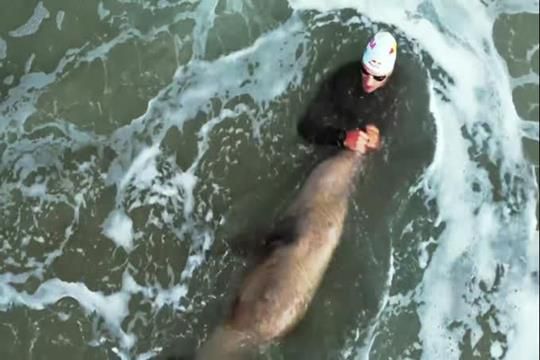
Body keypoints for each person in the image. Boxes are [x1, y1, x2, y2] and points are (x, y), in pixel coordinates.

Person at [298, 31, 398, 154]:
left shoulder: (398, 90)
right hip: (333, 138)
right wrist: (343, 138)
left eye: (378, 77)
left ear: (389, 73)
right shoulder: (344, 79)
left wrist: (379, 141)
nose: (369, 82)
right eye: (365, 71)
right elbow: (306, 127)